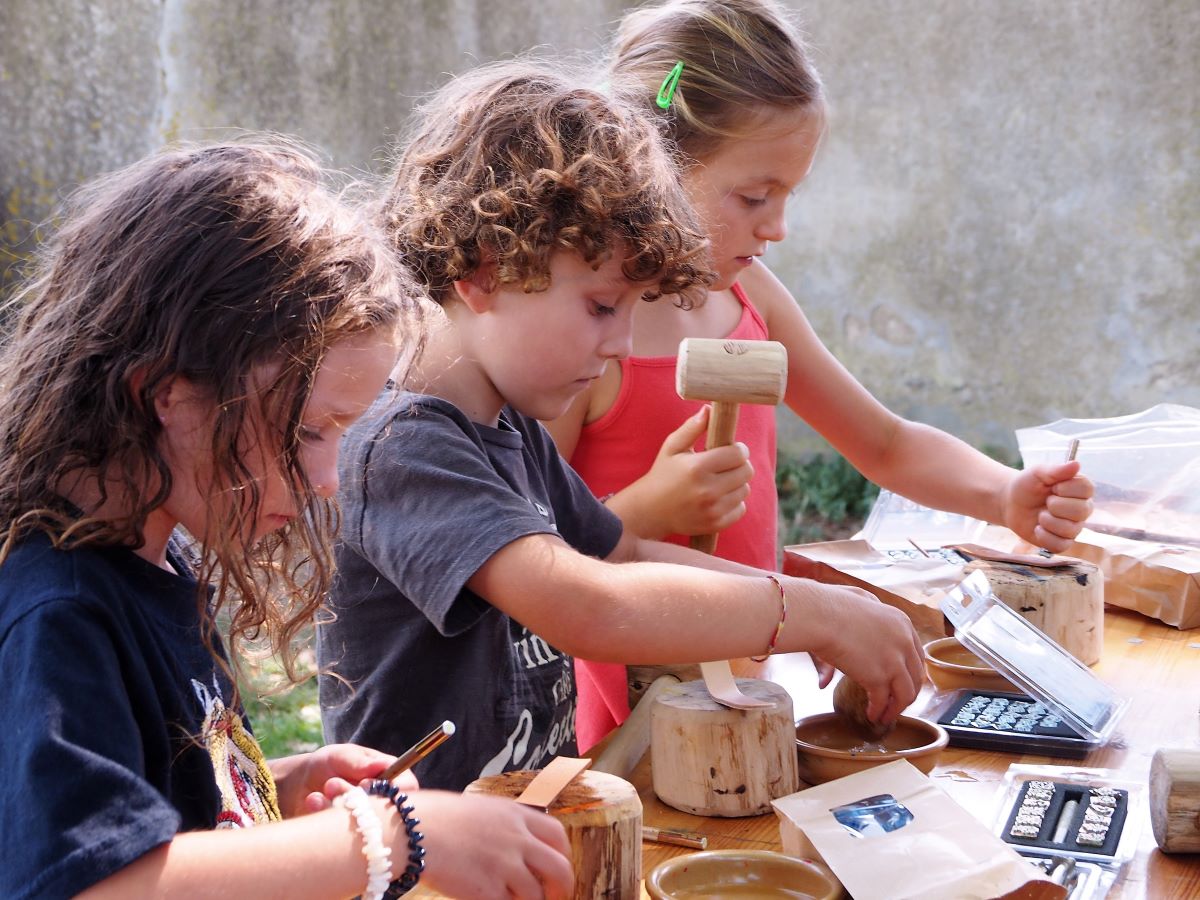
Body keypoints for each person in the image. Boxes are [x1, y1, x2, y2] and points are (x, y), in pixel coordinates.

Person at [317, 60, 925, 793]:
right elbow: (588, 607)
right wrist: (810, 615)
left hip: (530, 828)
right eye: (604, 306)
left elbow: (624, 554)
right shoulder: (402, 447)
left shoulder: (509, 427)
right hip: (430, 857)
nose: (623, 345)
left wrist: (823, 606)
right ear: (484, 272)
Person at [0, 139, 573, 900]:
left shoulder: (154, 555)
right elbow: (91, 881)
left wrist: (273, 787)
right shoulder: (58, 613)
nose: (329, 479)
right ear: (167, 394)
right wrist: (380, 839)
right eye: (308, 431)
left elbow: (132, 807)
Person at [543, 0, 1096, 750]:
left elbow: (888, 445)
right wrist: (644, 506)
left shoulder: (751, 301)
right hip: (637, 707)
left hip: (754, 684)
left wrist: (1003, 495)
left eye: (787, 197)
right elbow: (538, 549)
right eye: (753, 196)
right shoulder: (592, 332)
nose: (778, 226)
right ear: (651, 161)